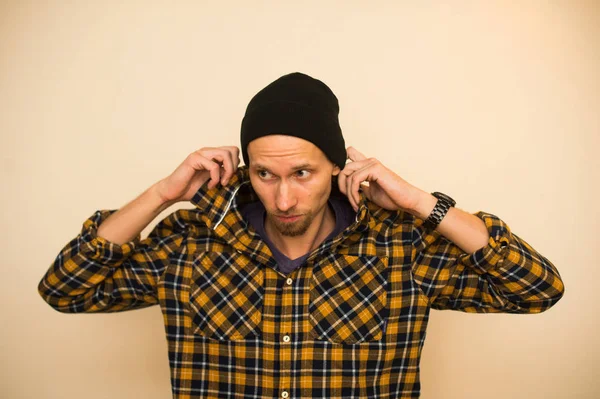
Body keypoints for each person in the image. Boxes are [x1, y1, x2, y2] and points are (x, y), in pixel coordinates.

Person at [38, 72, 565, 399]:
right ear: (246, 170)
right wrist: (160, 194)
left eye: (302, 174)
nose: (283, 199)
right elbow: (65, 290)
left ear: (336, 167)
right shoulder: (188, 244)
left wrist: (418, 202)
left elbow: (537, 289)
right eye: (265, 175)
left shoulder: (400, 250)